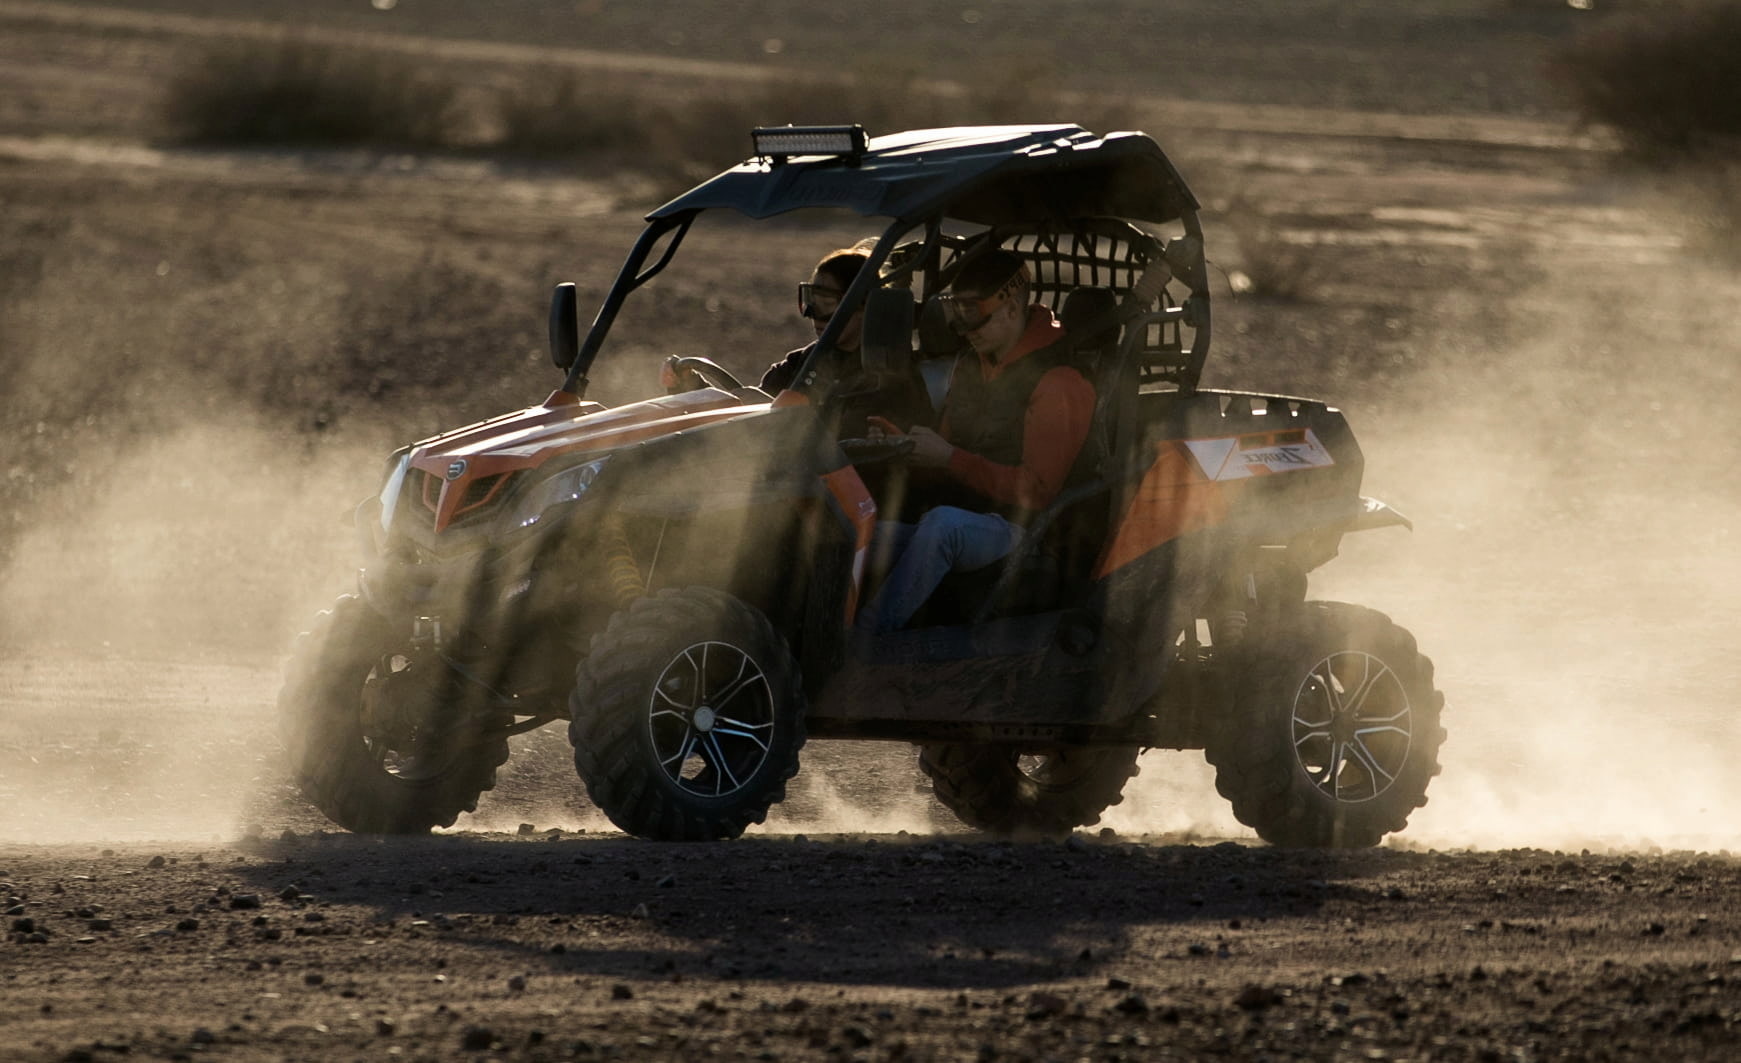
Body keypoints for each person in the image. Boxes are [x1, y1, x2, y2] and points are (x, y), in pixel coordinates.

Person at [857, 249, 1096, 634]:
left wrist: (950, 458)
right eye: (959, 313)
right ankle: (816, 630)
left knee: (941, 525)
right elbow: (947, 454)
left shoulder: (1059, 380)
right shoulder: (971, 364)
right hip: (969, 516)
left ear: (1011, 310)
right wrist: (904, 448)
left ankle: (863, 643)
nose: (967, 328)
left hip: (1030, 533)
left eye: (975, 314)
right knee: (856, 530)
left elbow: (1037, 494)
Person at [759, 246, 871, 395]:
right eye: (813, 303)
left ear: (862, 306)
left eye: (827, 304)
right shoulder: (801, 363)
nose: (814, 315)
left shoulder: (884, 374)